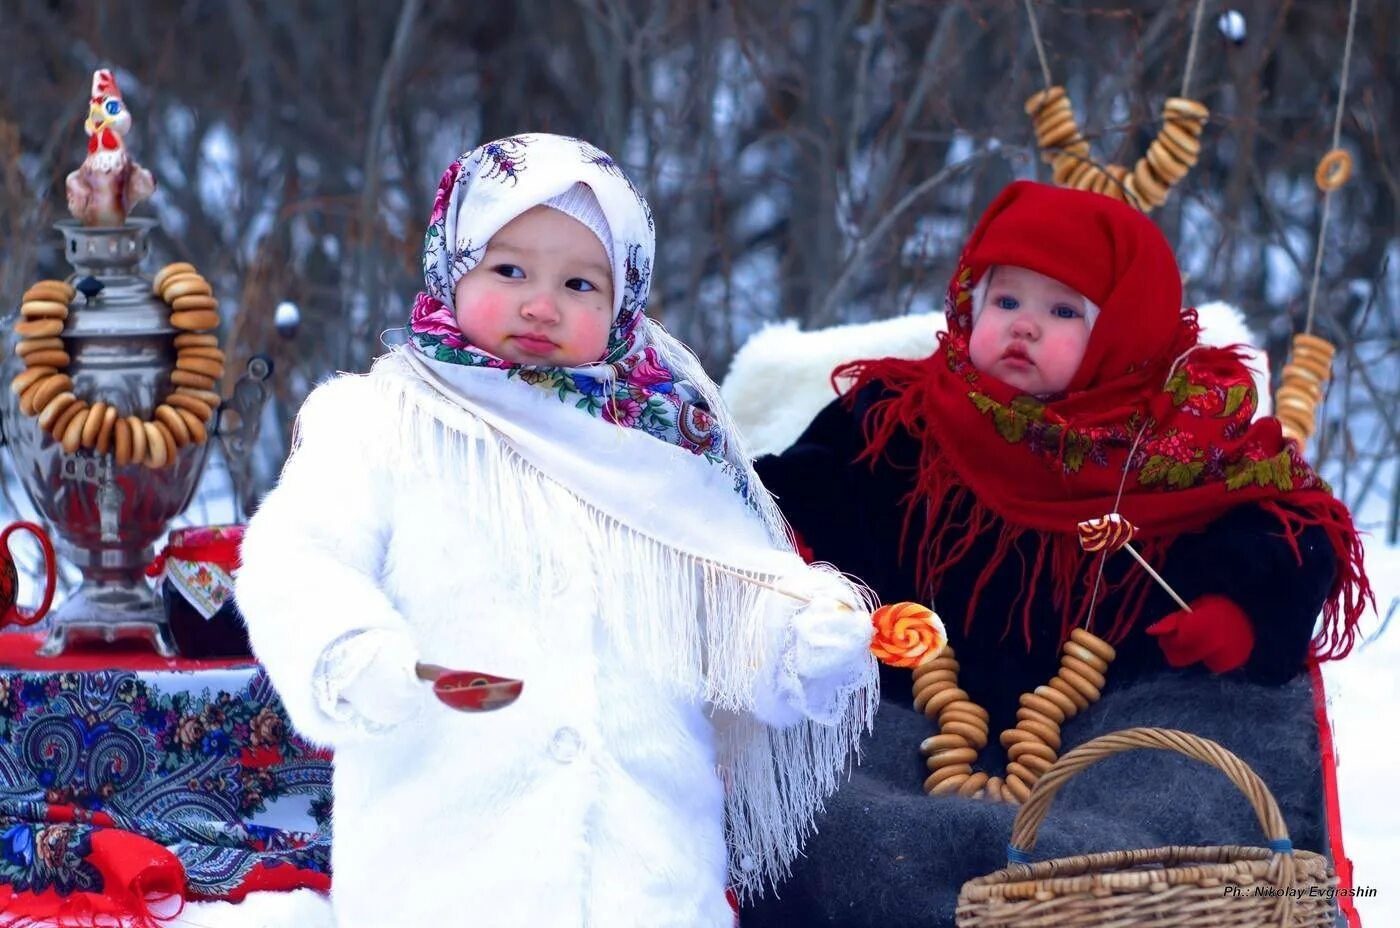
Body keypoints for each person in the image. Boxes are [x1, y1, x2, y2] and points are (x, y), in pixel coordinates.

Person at [234, 132, 879, 928]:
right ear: (452, 262)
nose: (542, 305)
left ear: (622, 304)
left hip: (649, 885)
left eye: (579, 283)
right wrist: (350, 651)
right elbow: (296, 559)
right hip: (445, 880)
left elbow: (738, 609)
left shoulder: (667, 447)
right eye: (509, 270)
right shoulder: (378, 420)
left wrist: (804, 639)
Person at [740, 179, 1372, 928]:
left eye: (1063, 311)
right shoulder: (894, 419)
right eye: (1005, 301)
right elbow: (786, 501)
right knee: (812, 804)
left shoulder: (1180, 446)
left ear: (1125, 332)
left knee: (1178, 804)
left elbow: (1286, 535)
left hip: (1118, 717)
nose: (1024, 328)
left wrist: (1238, 609)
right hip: (911, 702)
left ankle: (1093, 893)